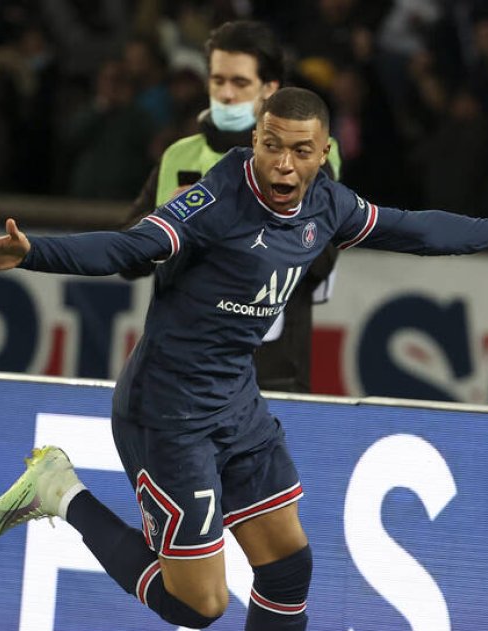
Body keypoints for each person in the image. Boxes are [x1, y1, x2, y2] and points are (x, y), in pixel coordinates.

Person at [0, 87, 488, 631]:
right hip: (169, 415)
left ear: (324, 154)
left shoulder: (328, 204)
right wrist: (34, 252)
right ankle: (61, 489)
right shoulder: (215, 202)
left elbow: (412, 228)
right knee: (199, 605)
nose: (283, 165)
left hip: (235, 401)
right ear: (255, 140)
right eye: (271, 146)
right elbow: (130, 249)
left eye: (301, 151)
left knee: (288, 566)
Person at [122, 20, 343, 393]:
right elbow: (128, 259)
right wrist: (164, 225)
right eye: (217, 80)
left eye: (240, 83)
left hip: (271, 374)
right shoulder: (179, 154)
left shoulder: (310, 152)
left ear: (269, 89)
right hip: (181, 369)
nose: (225, 94)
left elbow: (321, 259)